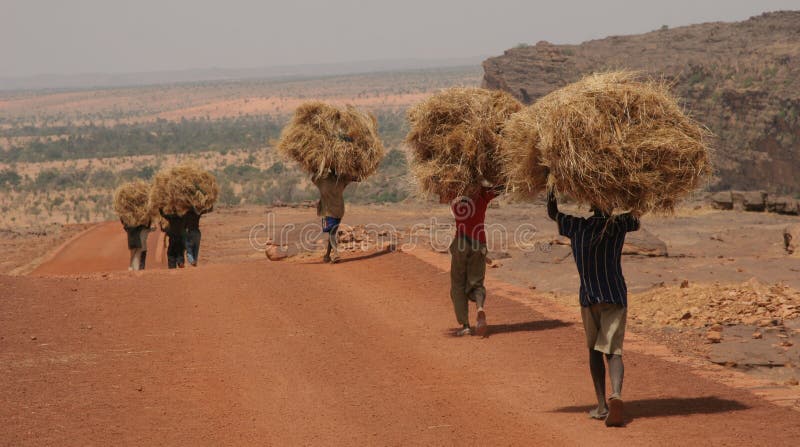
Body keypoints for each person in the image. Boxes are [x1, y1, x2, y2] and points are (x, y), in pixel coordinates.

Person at [547, 190, 640, 427]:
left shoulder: (576, 226)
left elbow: (553, 213)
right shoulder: (618, 225)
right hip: (615, 295)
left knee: (593, 350)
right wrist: (637, 191)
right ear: (611, 207)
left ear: (591, 206)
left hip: (589, 298)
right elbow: (638, 214)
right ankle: (616, 393)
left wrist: (551, 185)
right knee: (614, 351)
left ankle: (601, 405)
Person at [447, 183, 501, 337]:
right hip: (479, 243)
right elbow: (502, 187)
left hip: (461, 243)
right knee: (477, 282)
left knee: (457, 285)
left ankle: (465, 325)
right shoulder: (483, 193)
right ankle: (479, 308)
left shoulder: (454, 191)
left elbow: (440, 191)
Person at [313, 170, 354, 264]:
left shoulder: (322, 181)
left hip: (328, 211)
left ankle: (336, 254)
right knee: (333, 233)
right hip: (339, 211)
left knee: (331, 234)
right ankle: (327, 255)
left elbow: (313, 178)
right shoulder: (341, 180)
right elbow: (354, 178)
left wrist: (318, 168)